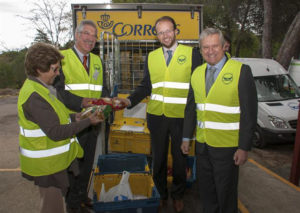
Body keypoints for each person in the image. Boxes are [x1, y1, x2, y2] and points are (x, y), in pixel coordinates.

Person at [116, 16, 202, 212]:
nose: (165, 35)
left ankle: (178, 195)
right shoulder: (152, 57)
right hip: (157, 117)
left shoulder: (193, 54)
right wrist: (129, 100)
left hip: (181, 118)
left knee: (180, 159)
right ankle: (161, 194)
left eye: (168, 30)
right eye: (161, 32)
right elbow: (146, 85)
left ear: (176, 31)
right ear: (157, 35)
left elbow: (196, 90)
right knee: (159, 158)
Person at [18, 42, 103, 213]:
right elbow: (55, 132)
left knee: (53, 204)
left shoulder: (41, 88)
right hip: (46, 166)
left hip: (51, 163)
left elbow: (56, 116)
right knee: (52, 207)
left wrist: (75, 116)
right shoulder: (35, 96)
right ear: (40, 69)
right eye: (55, 69)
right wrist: (87, 122)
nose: (58, 74)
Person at [181, 28, 257, 213]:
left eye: (215, 46)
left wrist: (244, 147)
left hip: (228, 147)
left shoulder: (241, 71)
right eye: (205, 47)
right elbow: (192, 108)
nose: (210, 51)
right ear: (200, 50)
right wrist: (185, 137)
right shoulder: (197, 73)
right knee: (206, 192)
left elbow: (249, 113)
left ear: (224, 46)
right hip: (202, 145)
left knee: (226, 194)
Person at [54, 20, 109, 212]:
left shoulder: (97, 61)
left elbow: (104, 90)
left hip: (92, 123)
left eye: (94, 35)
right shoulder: (62, 58)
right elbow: (58, 91)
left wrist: (107, 104)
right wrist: (82, 102)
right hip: (73, 122)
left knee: (86, 165)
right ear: (77, 35)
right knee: (73, 166)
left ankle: (82, 196)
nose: (91, 38)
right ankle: (73, 205)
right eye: (87, 33)